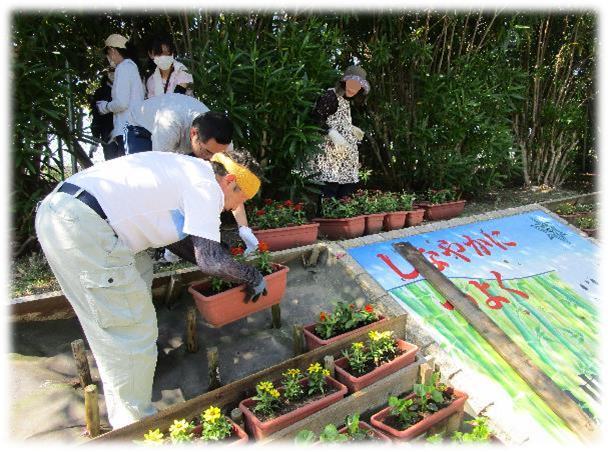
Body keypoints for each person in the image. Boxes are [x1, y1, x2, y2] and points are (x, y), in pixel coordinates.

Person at [35, 148, 266, 429]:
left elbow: (177, 240)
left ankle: (134, 375)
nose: (234, 208)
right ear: (230, 181)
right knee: (130, 330)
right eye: (241, 199)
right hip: (83, 226)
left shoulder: (190, 170)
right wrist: (251, 275)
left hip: (69, 212)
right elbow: (210, 261)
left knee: (138, 281)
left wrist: (226, 257)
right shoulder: (207, 188)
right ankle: (134, 429)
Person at [126, 93, 260, 256]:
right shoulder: (169, 127)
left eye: (216, 154)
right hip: (142, 129)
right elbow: (161, 179)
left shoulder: (222, 145)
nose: (211, 159)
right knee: (145, 181)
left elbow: (234, 187)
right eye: (207, 151)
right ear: (193, 134)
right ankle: (151, 243)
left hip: (185, 133)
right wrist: (176, 240)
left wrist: (244, 228)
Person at [308, 65, 370, 214]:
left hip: (344, 155)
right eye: (351, 84)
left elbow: (338, 119)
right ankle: (327, 220)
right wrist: (330, 132)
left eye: (357, 86)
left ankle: (341, 218)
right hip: (330, 154)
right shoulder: (330, 96)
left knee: (345, 188)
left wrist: (351, 129)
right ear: (344, 82)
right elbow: (316, 119)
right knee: (330, 186)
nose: (353, 89)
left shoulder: (346, 100)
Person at [96, 34, 145, 155]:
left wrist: (105, 107)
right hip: (135, 129)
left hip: (127, 130)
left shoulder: (123, 68)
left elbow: (122, 103)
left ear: (112, 50)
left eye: (107, 54)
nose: (108, 58)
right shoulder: (133, 68)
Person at [90, 68, 124, 160]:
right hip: (108, 132)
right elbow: (96, 117)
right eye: (110, 71)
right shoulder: (100, 92)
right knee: (112, 163)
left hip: (125, 130)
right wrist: (95, 139)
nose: (113, 74)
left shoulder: (126, 89)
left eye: (115, 70)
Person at [145, 34, 193, 98]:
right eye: (158, 53)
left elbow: (178, 97)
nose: (163, 57)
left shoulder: (182, 71)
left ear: (172, 53)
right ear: (150, 54)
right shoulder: (151, 81)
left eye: (167, 53)